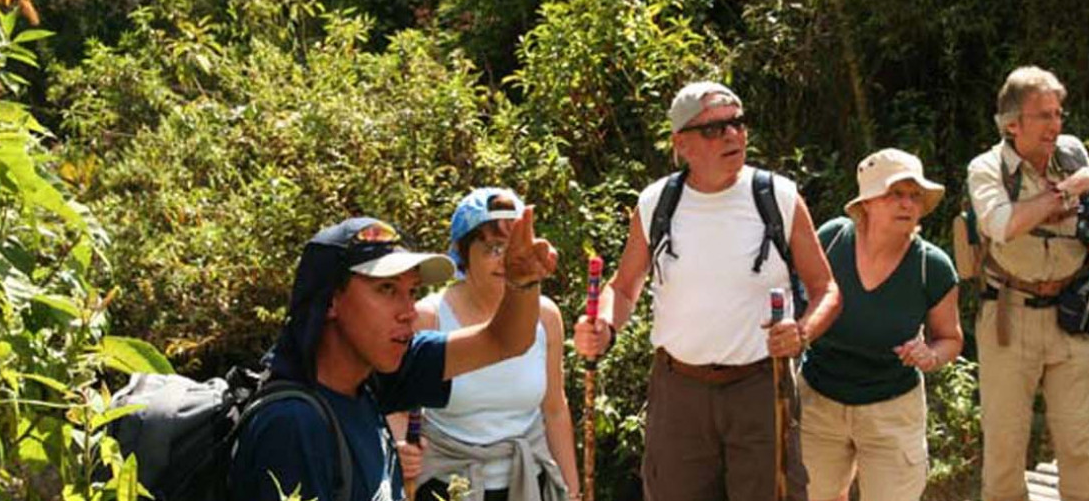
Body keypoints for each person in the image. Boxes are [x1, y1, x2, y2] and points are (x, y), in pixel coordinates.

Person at [572, 81, 841, 501]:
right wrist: (603, 326)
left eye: (738, 123)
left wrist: (802, 332)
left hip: (760, 388)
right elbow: (624, 289)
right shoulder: (657, 203)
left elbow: (826, 288)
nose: (733, 135)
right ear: (682, 144)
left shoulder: (777, 197)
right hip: (678, 392)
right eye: (715, 129)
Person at [230, 212, 558, 501]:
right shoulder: (294, 425)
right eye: (386, 289)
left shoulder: (374, 376)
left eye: (412, 292)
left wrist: (523, 282)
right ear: (330, 301)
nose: (409, 312)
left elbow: (503, 341)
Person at [966, 66, 1089, 501]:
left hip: (1072, 314)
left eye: (1059, 114)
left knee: (1079, 444)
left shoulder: (1073, 156)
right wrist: (1065, 193)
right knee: (1005, 447)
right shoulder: (987, 169)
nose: (1056, 125)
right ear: (1011, 123)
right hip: (1008, 315)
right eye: (1044, 116)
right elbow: (1001, 224)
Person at [386, 188, 580, 501]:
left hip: (529, 482)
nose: (506, 261)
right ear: (463, 254)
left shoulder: (545, 316)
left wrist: (573, 492)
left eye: (515, 248)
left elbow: (555, 409)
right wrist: (401, 444)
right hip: (446, 485)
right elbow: (393, 397)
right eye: (493, 248)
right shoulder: (429, 317)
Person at [799, 148, 963, 501]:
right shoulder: (832, 240)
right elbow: (800, 303)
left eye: (914, 195)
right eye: (895, 194)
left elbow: (950, 338)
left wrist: (929, 355)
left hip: (892, 408)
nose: (906, 204)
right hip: (820, 401)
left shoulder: (931, 267)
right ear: (867, 203)